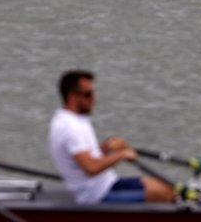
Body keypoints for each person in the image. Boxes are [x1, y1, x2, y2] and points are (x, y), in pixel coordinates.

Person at [48, 70, 173, 205]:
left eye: (93, 93)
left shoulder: (77, 119)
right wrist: (121, 155)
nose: (93, 99)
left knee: (167, 187)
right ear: (72, 97)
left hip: (107, 183)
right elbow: (91, 168)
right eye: (88, 94)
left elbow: (88, 157)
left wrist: (107, 148)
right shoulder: (68, 127)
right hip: (95, 196)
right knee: (163, 194)